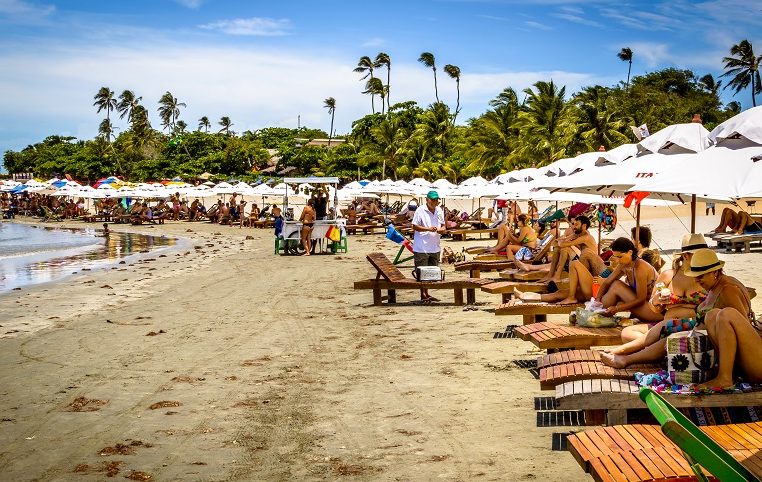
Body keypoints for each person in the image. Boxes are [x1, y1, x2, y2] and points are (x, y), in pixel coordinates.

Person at [606, 233, 708, 352]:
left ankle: (655, 349)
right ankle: (660, 349)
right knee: (627, 333)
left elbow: (715, 306)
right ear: (686, 256)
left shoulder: (707, 277)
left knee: (667, 338)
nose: (703, 258)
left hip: (693, 326)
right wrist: (656, 301)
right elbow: (653, 308)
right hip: (665, 326)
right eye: (699, 255)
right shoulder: (669, 275)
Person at [411, 190, 446, 303]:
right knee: (422, 273)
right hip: (422, 247)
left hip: (435, 246)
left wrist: (441, 230)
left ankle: (427, 293)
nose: (435, 202)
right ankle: (423, 294)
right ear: (427, 200)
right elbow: (414, 226)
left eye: (436, 200)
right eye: (433, 200)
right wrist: (428, 229)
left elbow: (443, 225)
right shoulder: (420, 210)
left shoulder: (439, 210)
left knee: (431, 273)